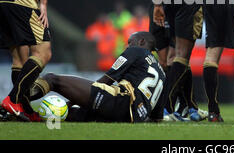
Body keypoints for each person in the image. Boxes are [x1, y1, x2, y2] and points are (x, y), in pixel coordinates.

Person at [0, 0, 76, 121]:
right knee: (43, 52)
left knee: (20, 58)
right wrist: (43, 4)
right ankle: (13, 100)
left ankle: (23, 109)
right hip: (23, 0)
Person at [30, 32, 166, 123]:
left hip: (119, 101)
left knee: (52, 79)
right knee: (71, 114)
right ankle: (31, 117)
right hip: (128, 117)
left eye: (130, 42)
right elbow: (157, 117)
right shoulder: (161, 72)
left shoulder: (136, 51)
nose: (127, 46)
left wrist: (74, 99)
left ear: (141, 42)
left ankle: (18, 102)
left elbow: (107, 80)